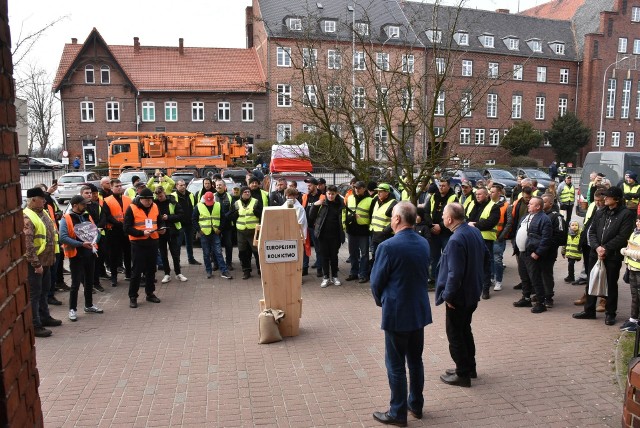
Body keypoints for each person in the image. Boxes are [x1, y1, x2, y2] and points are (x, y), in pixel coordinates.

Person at [370, 202, 432, 426]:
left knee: (395, 364)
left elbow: (376, 283)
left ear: (396, 219)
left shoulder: (388, 246)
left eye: (391, 217)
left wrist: (381, 301)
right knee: (415, 361)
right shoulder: (423, 242)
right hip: (418, 310)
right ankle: (416, 404)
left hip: (397, 312)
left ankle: (397, 412)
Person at [436, 202, 490, 387]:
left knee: (456, 334)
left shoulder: (455, 240)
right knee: (465, 330)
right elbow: (486, 257)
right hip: (472, 291)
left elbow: (454, 274)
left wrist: (448, 296)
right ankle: (469, 367)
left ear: (450, 219)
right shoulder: (473, 231)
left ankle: (462, 374)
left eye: (443, 214)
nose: (442, 217)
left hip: (459, 297)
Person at [573, 186, 635, 325]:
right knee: (591, 281)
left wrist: (605, 248)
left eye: (608, 196)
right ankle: (589, 310)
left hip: (612, 256)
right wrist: (596, 247)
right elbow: (592, 231)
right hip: (595, 253)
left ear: (617, 199)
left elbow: (623, 236)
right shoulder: (600, 212)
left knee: (611, 284)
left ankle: (610, 313)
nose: (604, 198)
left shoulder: (626, 214)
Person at [59, 195, 104, 322]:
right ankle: (72, 309)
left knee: (89, 281)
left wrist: (95, 240)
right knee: (75, 283)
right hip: (76, 255)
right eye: (83, 204)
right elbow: (62, 237)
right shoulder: (66, 218)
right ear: (75, 205)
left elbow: (96, 232)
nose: (85, 206)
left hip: (89, 254)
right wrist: (80, 244)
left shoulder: (87, 216)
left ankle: (89, 305)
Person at [24, 187, 61, 337]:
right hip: (36, 264)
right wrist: (36, 264)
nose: (45, 201)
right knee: (35, 294)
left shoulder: (43, 212)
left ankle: (45, 317)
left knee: (44, 291)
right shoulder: (27, 216)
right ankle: (35, 324)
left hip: (47, 261)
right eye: (42, 199)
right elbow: (28, 245)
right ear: (33, 200)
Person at [123, 188, 165, 308]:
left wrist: (162, 228)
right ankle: (133, 296)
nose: (149, 202)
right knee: (136, 271)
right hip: (138, 243)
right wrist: (141, 233)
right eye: (146, 200)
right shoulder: (132, 208)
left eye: (150, 200)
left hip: (153, 242)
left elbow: (160, 220)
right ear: (140, 199)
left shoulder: (155, 206)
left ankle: (150, 293)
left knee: (151, 270)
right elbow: (126, 228)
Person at [512, 197, 553, 313]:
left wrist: (538, 252)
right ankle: (526, 298)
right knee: (524, 277)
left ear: (538, 207)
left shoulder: (544, 219)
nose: (528, 205)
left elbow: (546, 239)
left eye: (531, 204)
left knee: (535, 279)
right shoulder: (526, 217)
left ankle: (540, 303)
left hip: (532, 254)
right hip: (522, 253)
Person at [467, 187, 499, 300]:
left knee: (485, 265)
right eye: (477, 194)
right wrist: (469, 224)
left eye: (480, 194)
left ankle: (485, 290)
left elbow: (489, 223)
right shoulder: (471, 204)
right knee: (471, 264)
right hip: (471, 238)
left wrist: (474, 224)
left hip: (485, 240)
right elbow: (465, 218)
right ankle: (473, 288)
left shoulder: (494, 207)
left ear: (486, 195)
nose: (478, 196)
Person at [309, 185, 345, 287]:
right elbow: (311, 216)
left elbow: (344, 218)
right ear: (326, 194)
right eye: (329, 194)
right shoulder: (322, 203)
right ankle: (325, 277)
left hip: (336, 236)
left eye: (333, 194)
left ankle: (334, 276)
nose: (330, 196)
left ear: (336, 194)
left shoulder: (340, 204)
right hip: (323, 235)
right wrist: (315, 205)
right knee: (324, 256)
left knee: (334, 256)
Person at [193, 191, 233, 280]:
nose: (210, 204)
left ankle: (224, 271)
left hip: (215, 233)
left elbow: (223, 218)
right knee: (206, 254)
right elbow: (194, 219)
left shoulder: (218, 205)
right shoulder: (198, 206)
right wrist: (199, 230)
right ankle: (208, 271)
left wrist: (220, 229)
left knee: (218, 252)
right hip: (204, 233)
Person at [424, 178, 457, 284]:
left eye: (443, 185)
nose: (441, 187)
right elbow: (426, 212)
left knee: (448, 256)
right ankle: (433, 277)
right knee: (434, 256)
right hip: (434, 232)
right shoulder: (433, 196)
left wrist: (440, 226)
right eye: (440, 185)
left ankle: (446, 278)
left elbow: (453, 215)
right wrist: (431, 226)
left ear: (448, 186)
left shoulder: (453, 198)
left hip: (447, 232)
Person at [154, 187, 187, 283]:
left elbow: (181, 215)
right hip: (160, 232)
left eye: (161, 196)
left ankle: (178, 273)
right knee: (163, 254)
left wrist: (168, 217)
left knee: (175, 253)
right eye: (158, 196)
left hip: (172, 231)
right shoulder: (154, 204)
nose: (159, 198)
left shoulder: (172, 202)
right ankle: (167, 274)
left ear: (164, 193)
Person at [228, 186, 262, 279]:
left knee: (257, 252)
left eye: (249, 192)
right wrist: (235, 214)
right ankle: (246, 271)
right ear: (241, 194)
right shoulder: (236, 203)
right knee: (243, 252)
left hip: (254, 232)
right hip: (241, 232)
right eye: (245, 192)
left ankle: (260, 270)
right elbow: (230, 216)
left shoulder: (256, 202)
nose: (247, 193)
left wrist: (257, 212)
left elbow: (262, 214)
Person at [102, 179, 132, 287]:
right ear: (111, 187)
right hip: (114, 231)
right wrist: (119, 224)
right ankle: (114, 277)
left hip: (126, 231)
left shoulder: (128, 199)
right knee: (113, 255)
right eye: (116, 186)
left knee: (128, 253)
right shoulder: (107, 200)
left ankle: (128, 273)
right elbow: (108, 216)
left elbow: (131, 213)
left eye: (120, 185)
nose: (119, 187)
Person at [540, 193, 566, 308]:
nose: (542, 204)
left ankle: (548, 296)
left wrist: (548, 245)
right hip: (538, 250)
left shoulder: (556, 216)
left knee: (546, 273)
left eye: (544, 202)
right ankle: (540, 293)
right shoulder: (539, 214)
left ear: (550, 203)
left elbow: (560, 236)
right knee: (538, 272)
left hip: (549, 251)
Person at [345, 181, 372, 283]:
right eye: (355, 187)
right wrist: (346, 223)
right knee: (353, 253)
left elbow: (372, 215)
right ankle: (354, 273)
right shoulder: (350, 198)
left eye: (359, 188)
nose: (357, 189)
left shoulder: (370, 200)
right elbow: (346, 211)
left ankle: (363, 274)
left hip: (363, 230)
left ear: (364, 188)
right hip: (351, 230)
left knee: (364, 254)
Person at [172, 179, 200, 265]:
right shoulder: (173, 196)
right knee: (178, 244)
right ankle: (177, 262)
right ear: (176, 186)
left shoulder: (190, 195)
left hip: (189, 223)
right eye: (181, 185)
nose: (183, 186)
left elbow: (195, 208)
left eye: (184, 185)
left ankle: (191, 259)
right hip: (179, 224)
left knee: (190, 243)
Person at [369, 183, 397, 265]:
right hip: (375, 235)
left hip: (385, 236)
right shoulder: (377, 201)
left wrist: (385, 231)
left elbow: (395, 220)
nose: (378, 193)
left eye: (380, 192)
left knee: (385, 258)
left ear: (387, 193)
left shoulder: (393, 203)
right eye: (377, 191)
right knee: (375, 257)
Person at [301, 178, 325, 276]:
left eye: (310, 185)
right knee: (305, 248)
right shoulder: (305, 196)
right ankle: (304, 268)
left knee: (318, 248)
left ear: (315, 185)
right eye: (307, 185)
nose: (308, 187)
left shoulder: (322, 196)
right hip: (306, 226)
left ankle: (320, 268)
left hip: (316, 227)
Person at [620, 216, 640, 332]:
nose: (638, 223)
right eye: (637, 220)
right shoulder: (634, 233)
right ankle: (633, 319)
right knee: (634, 296)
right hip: (632, 269)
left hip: (639, 271)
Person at [214, 179, 234, 270]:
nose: (218, 186)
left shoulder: (230, 197)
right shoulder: (213, 197)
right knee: (215, 245)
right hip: (216, 226)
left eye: (220, 185)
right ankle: (216, 263)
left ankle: (229, 263)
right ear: (215, 186)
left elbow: (232, 210)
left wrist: (225, 217)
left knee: (228, 245)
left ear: (224, 186)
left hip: (227, 226)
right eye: (217, 185)